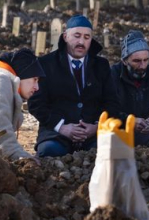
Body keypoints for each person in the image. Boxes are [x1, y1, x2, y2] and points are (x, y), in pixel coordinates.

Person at [29, 15, 121, 157]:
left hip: (92, 134)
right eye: (76, 36)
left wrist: (96, 127)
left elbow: (112, 102)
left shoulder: (101, 66)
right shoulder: (46, 64)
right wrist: (61, 127)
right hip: (56, 134)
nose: (81, 42)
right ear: (65, 37)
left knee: (109, 153)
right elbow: (36, 103)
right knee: (48, 152)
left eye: (86, 37)